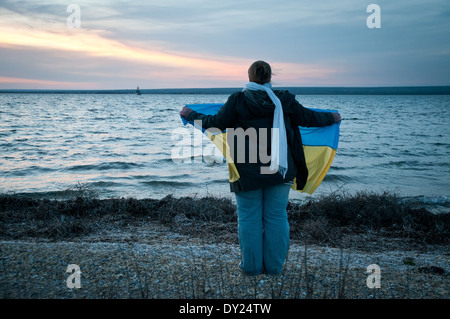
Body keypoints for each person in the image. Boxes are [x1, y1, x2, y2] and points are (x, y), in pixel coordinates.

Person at [179, 60, 341, 276]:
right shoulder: (284, 100)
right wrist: (332, 117)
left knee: (249, 218)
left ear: (249, 77)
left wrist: (190, 114)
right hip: (280, 168)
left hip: (247, 170)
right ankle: (274, 269)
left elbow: (215, 122)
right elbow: (309, 118)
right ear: (270, 77)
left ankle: (252, 267)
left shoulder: (238, 100)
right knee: (276, 216)